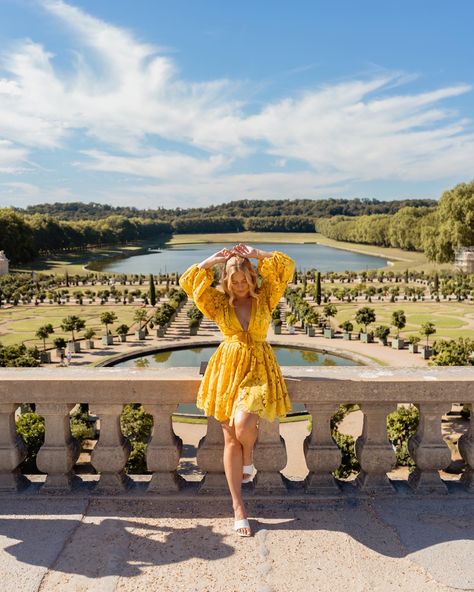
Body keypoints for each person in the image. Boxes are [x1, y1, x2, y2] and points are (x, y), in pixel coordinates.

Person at [179, 243, 295, 537]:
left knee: (243, 423)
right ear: (227, 281)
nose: (240, 285)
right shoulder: (218, 303)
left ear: (252, 278)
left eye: (244, 280)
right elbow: (188, 282)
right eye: (234, 281)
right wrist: (213, 259)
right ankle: (238, 507)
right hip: (226, 370)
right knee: (230, 435)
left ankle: (247, 460)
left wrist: (257, 254)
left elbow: (286, 266)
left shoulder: (266, 297)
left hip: (258, 367)